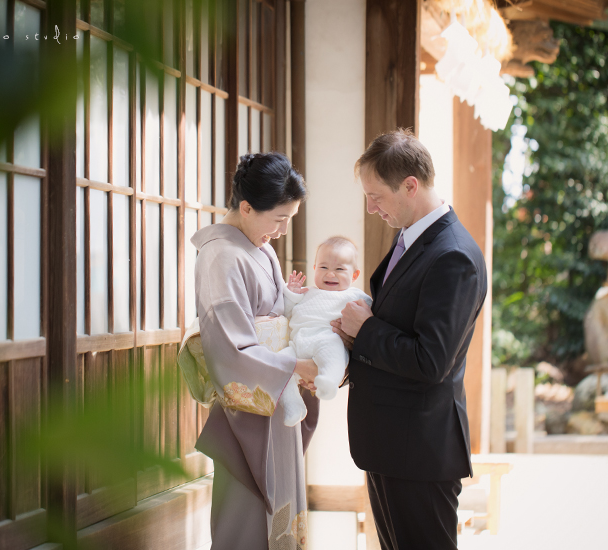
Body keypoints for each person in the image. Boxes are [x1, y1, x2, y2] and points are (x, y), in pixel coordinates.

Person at [331, 129, 488, 550]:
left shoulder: (452, 255)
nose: (370, 208)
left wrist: (365, 329)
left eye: (376, 196)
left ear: (410, 185)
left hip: (419, 450)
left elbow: (430, 360)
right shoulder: (411, 239)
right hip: (390, 444)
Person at [192, 152, 319, 550]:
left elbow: (279, 315)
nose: (282, 231)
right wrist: (295, 364)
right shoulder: (220, 255)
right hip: (250, 410)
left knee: (281, 513)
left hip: (278, 396)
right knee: (245, 525)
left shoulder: (260, 248)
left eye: (289, 219)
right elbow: (230, 345)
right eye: (279, 219)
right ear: (246, 208)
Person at [277, 237, 372, 426]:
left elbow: (370, 318)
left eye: (339, 269)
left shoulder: (355, 296)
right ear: (314, 269)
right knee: (279, 364)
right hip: (297, 344)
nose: (330, 274)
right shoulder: (306, 293)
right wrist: (291, 293)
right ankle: (293, 405)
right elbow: (286, 314)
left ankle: (329, 381)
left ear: (354, 275)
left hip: (326, 339)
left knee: (334, 349)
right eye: (323, 267)